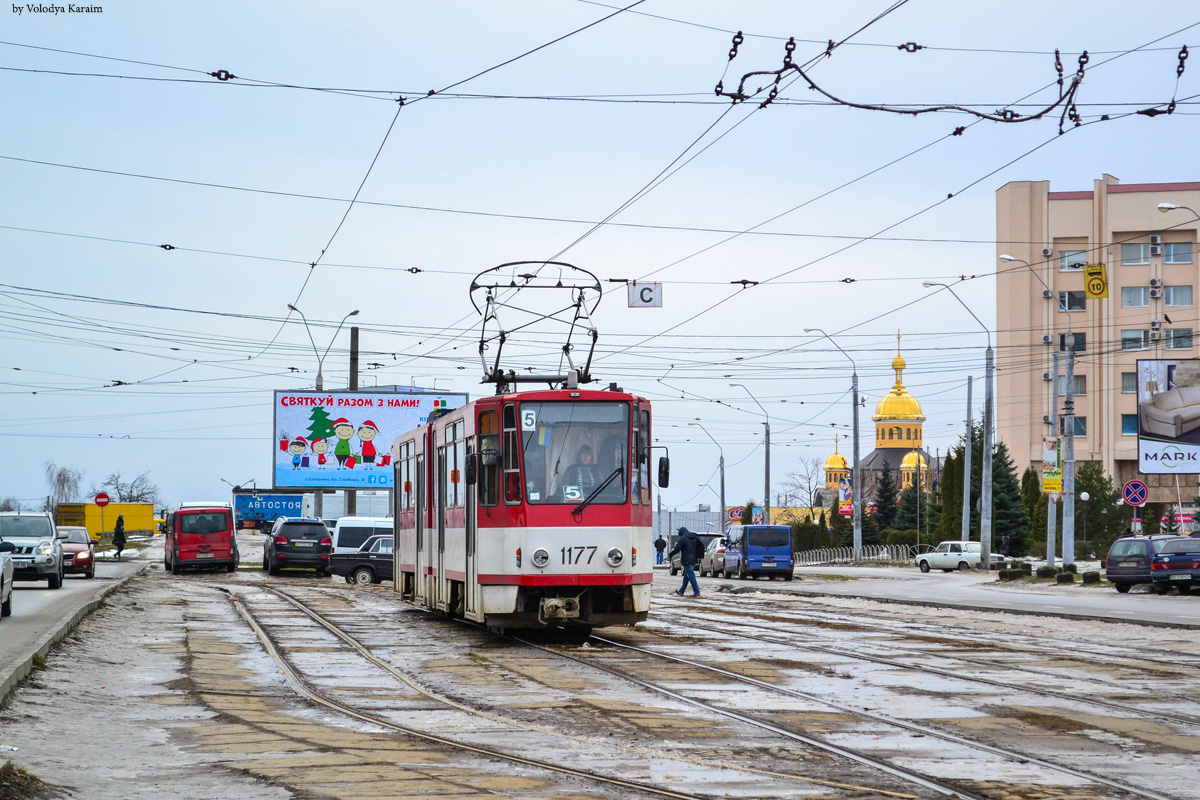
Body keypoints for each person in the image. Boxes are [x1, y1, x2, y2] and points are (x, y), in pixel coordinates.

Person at [667, 526, 704, 597]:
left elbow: (677, 549)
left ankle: (697, 592)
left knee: (691, 575)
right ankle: (681, 591)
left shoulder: (682, 539)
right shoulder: (694, 537)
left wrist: (670, 555)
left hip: (687, 559)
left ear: (681, 532)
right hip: (693, 559)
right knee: (687, 576)